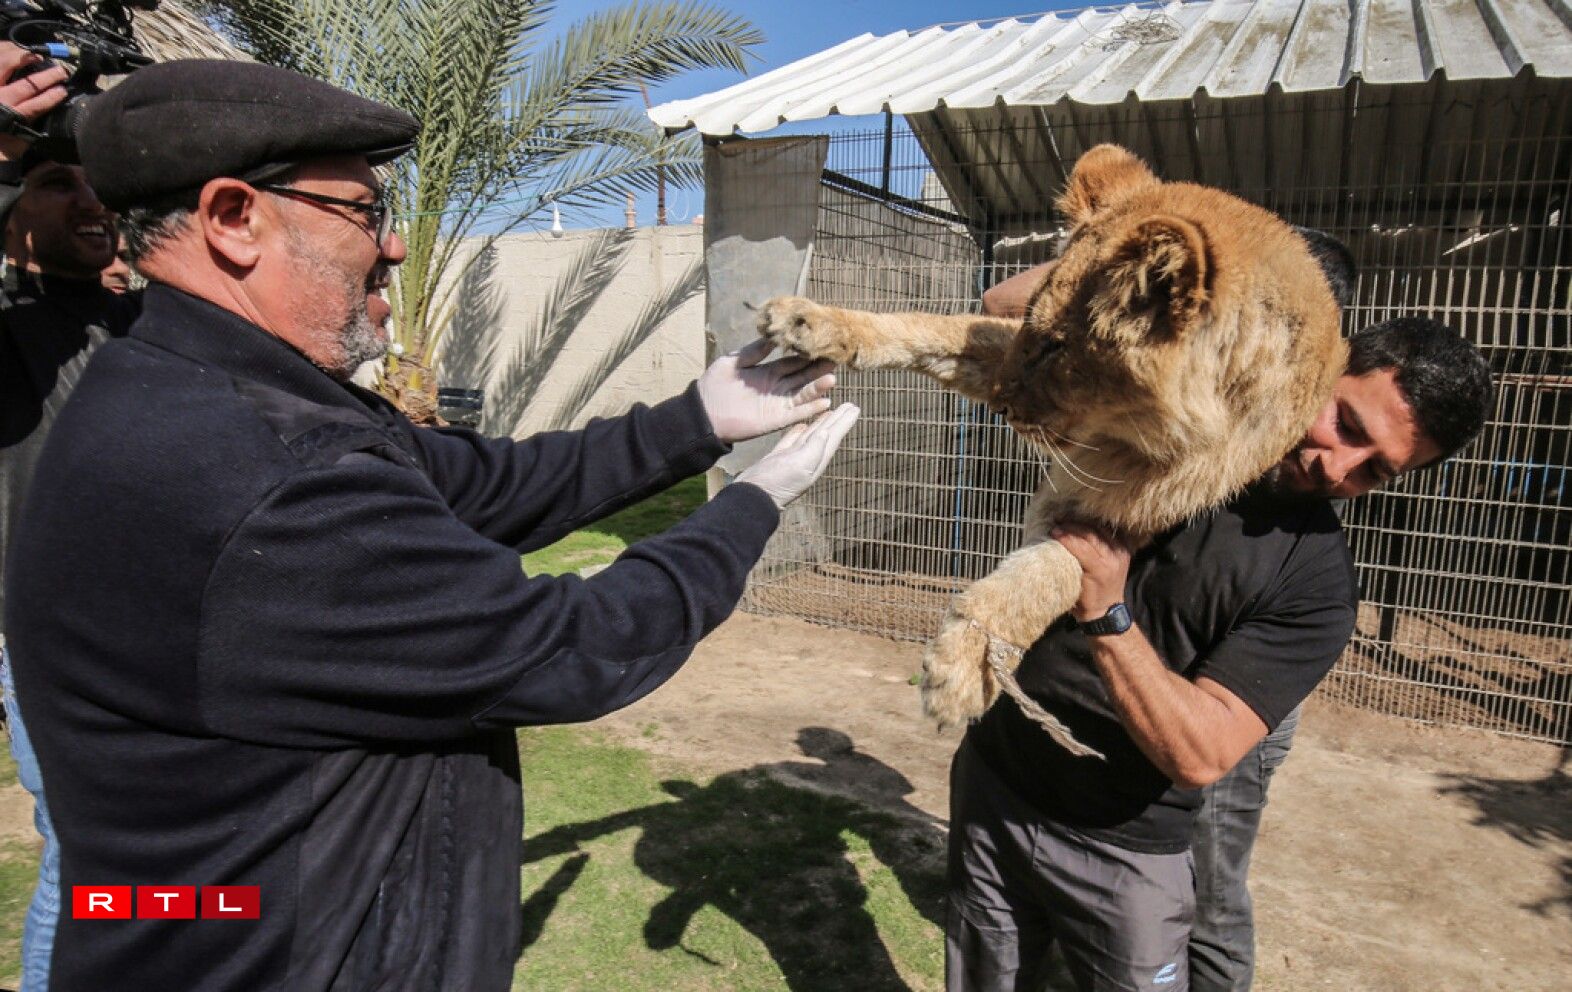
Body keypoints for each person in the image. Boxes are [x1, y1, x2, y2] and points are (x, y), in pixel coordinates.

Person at [4, 58, 858, 991]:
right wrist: (752, 505)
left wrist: (697, 419)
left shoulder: (200, 385)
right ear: (233, 218)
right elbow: (570, 649)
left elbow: (488, 485)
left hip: (202, 918)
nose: (396, 246)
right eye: (363, 212)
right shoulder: (260, 472)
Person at [951, 242, 1493, 992]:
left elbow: (1203, 755)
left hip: (1125, 843)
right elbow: (1005, 310)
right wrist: (1181, 250)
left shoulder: (1317, 587)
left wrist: (1107, 609)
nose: (1337, 469)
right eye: (1348, 424)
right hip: (995, 782)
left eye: (1375, 470)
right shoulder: (1173, 409)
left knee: (1215, 897)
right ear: (1322, 361)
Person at [0, 41, 136, 992]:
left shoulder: (138, 322)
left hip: (155, 631)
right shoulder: (12, 334)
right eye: (56, 184)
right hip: (49, 640)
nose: (91, 203)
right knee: (89, 860)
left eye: (99, 188)